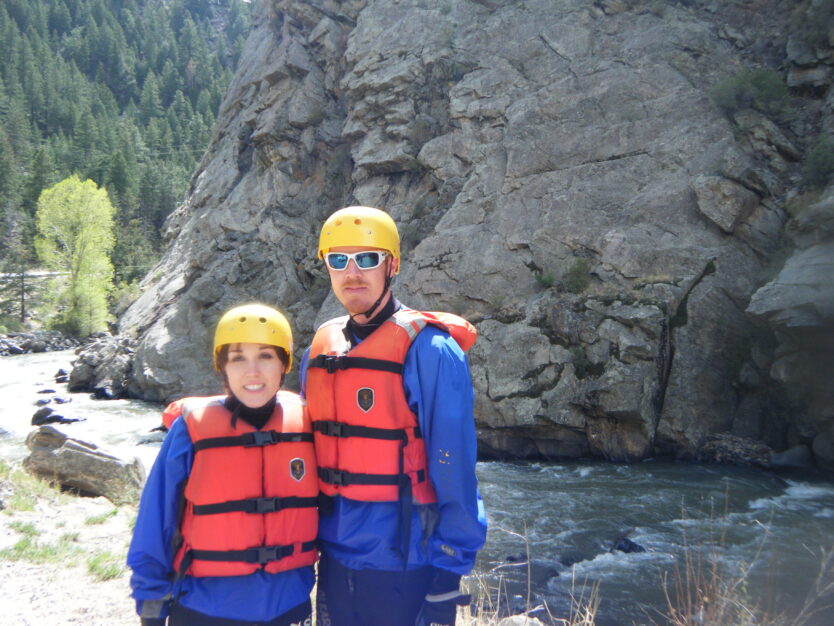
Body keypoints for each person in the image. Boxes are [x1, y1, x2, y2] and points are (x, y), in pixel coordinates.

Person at [299, 206, 488, 626]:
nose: (352, 273)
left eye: (367, 259)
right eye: (338, 260)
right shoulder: (319, 351)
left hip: (405, 565)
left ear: (392, 266)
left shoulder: (433, 352)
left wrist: (449, 571)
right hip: (333, 561)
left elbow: (454, 468)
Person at [128, 304, 318, 626]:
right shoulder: (190, 430)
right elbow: (155, 517)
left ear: (284, 364)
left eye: (266, 356)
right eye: (237, 358)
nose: (252, 371)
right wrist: (150, 603)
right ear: (223, 367)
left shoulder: (307, 425)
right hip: (204, 610)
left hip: (288, 606)